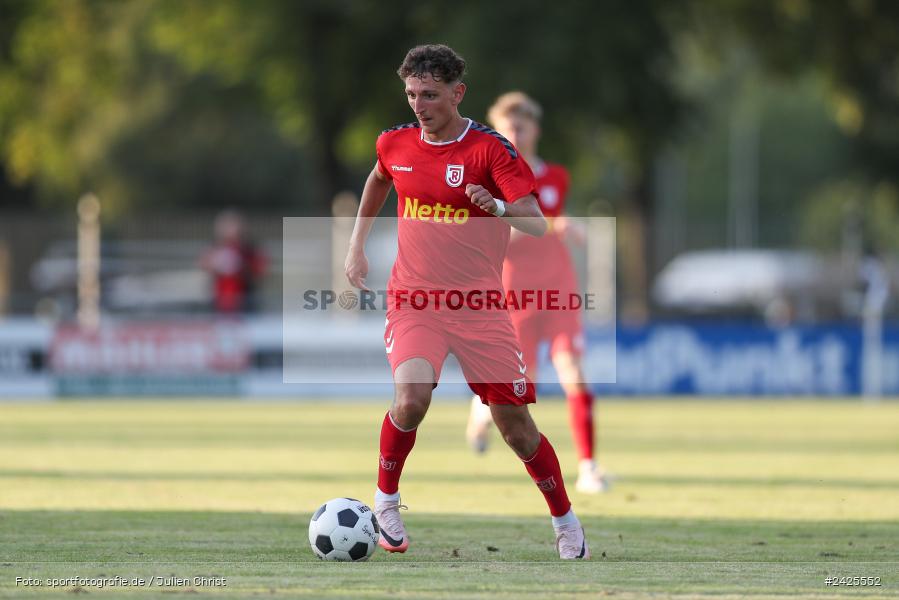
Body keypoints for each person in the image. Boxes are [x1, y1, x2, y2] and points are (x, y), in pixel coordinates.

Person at [345, 45, 589, 559]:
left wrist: (497, 205)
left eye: (429, 95)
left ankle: (566, 522)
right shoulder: (395, 143)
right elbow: (378, 177)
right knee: (411, 399)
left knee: (517, 430)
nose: (418, 104)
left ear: (458, 94)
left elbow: (536, 223)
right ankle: (385, 501)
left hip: (481, 307)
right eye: (411, 94)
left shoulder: (491, 151)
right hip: (415, 300)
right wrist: (356, 246)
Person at [465, 92, 611, 494]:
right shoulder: (491, 180)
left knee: (574, 376)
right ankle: (480, 411)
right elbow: (496, 238)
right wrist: (548, 226)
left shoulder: (555, 177)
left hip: (559, 289)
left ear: (534, 130)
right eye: (508, 127)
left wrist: (564, 226)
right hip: (515, 296)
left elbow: (551, 219)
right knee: (518, 387)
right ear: (498, 133)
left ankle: (589, 468)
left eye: (522, 125)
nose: (516, 132)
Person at [201, 210, 267, 314]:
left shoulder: (249, 249)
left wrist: (242, 267)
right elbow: (205, 264)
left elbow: (259, 269)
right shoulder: (215, 247)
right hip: (220, 300)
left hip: (244, 300)